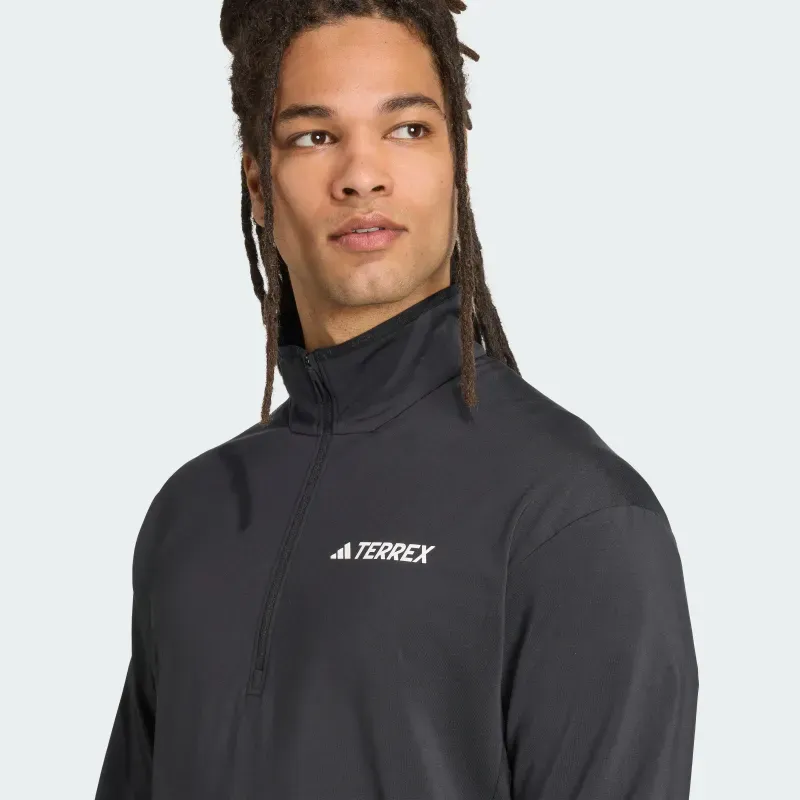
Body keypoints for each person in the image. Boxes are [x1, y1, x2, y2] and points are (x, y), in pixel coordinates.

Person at [94, 1, 699, 798]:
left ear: (456, 161)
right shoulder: (194, 511)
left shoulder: (572, 516)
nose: (362, 174)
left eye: (408, 129)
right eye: (314, 136)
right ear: (258, 183)